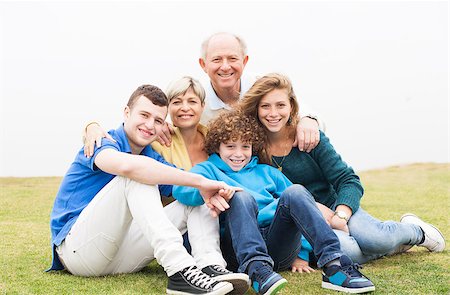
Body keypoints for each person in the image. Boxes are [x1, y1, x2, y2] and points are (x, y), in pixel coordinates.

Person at [48, 84, 249, 295]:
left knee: (195, 197)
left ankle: (210, 266)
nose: (149, 125)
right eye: (144, 115)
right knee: (136, 177)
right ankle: (180, 271)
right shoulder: (102, 141)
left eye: (158, 120)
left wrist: (205, 189)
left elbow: (182, 185)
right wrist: (200, 181)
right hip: (78, 253)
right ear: (127, 112)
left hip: (122, 257)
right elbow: (129, 167)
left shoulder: (150, 155)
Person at [238, 73, 446, 269]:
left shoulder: (309, 138)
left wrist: (341, 215)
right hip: (301, 223)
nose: (273, 113)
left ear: (292, 107)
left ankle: (415, 231)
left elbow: (348, 180)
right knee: (350, 252)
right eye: (265, 106)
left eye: (280, 105)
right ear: (256, 109)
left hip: (336, 205)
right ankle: (389, 248)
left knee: (375, 238)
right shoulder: (250, 148)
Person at [172, 109, 376, 294]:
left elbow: (302, 208)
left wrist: (302, 252)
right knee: (240, 196)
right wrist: (210, 189)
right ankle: (257, 272)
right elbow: (180, 188)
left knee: (296, 191)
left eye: (245, 146)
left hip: (277, 244)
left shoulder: (267, 172)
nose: (238, 154)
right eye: (230, 146)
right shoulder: (207, 170)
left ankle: (335, 266)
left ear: (254, 146)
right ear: (218, 146)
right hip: (237, 250)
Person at [83, 32, 321, 156]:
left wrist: (309, 119)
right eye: (216, 59)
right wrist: (92, 126)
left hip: (267, 165)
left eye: (232, 59)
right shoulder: (198, 100)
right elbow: (147, 111)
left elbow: (292, 105)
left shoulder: (261, 87)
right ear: (203, 64)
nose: (225, 66)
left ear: (245, 61)